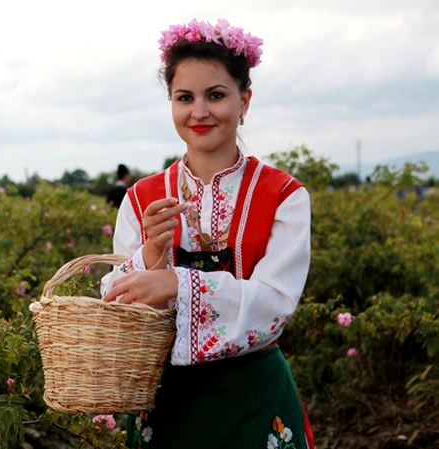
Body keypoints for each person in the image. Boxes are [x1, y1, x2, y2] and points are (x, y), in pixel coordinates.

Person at [101, 19, 314, 448]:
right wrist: (151, 253)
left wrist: (175, 283)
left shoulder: (284, 196)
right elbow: (115, 303)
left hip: (254, 395)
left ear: (244, 100)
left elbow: (275, 303)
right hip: (165, 401)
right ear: (171, 104)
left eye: (215, 95)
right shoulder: (141, 199)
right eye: (184, 98)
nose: (199, 112)